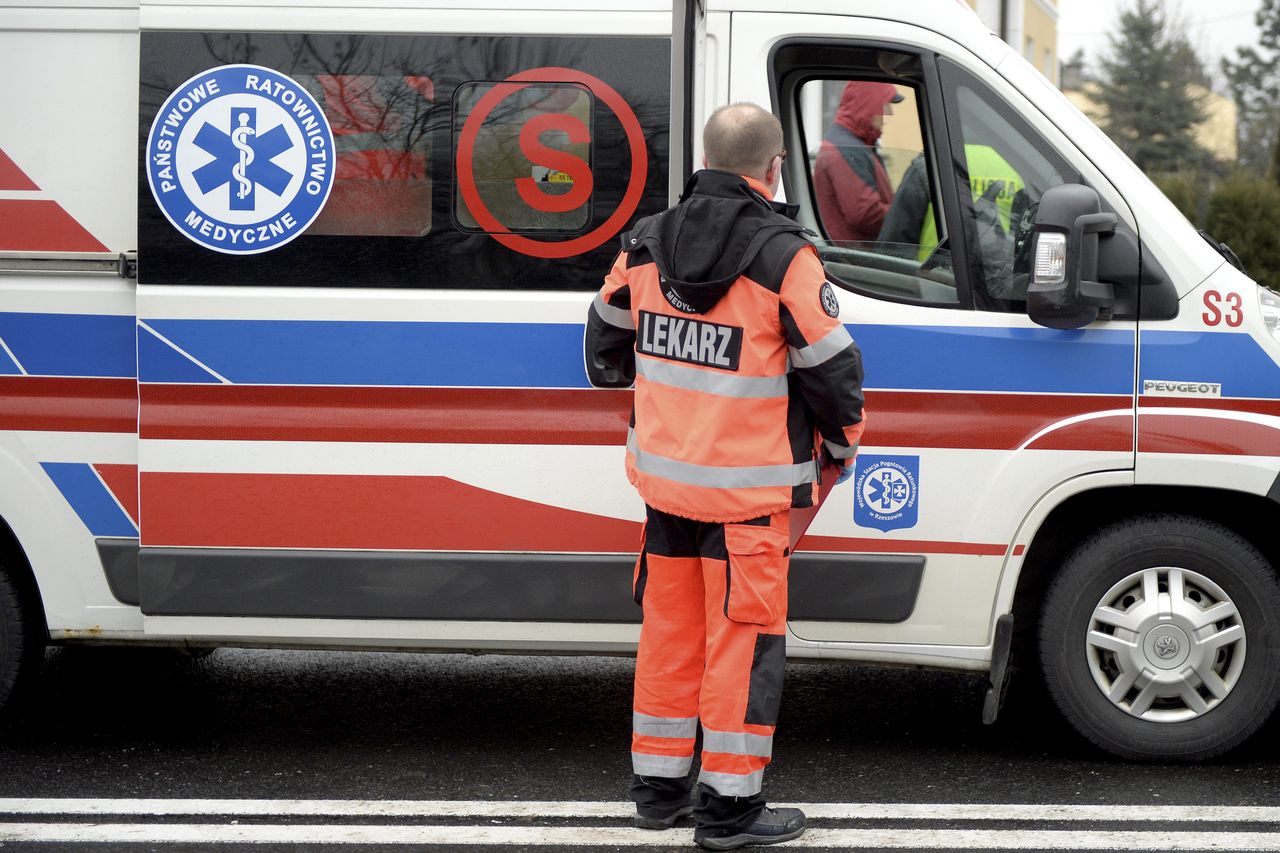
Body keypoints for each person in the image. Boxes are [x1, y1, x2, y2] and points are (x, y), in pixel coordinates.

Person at [584, 103, 866, 850]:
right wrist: (842, 444)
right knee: (741, 646)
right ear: (773, 169)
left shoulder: (646, 243)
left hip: (668, 492)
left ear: (705, 160)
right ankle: (730, 810)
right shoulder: (784, 258)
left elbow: (604, 344)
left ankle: (658, 792)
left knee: (671, 638)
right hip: (749, 498)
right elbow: (833, 372)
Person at [812, 81, 902, 243]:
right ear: (869, 104)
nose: (889, 112)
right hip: (855, 262)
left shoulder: (854, 144)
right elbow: (865, 214)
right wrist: (907, 212)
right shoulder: (847, 148)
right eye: (885, 104)